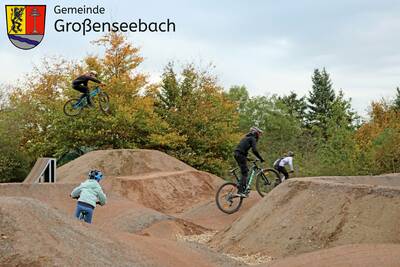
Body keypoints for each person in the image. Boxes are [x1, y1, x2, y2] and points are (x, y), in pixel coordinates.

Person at [234, 126, 265, 197]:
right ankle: (240, 191)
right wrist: (261, 158)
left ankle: (241, 185)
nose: (259, 136)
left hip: (237, 154)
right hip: (240, 155)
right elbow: (254, 150)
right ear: (255, 133)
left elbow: (242, 149)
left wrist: (248, 158)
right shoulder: (252, 138)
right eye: (259, 134)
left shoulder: (246, 138)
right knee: (245, 173)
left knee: (244, 171)